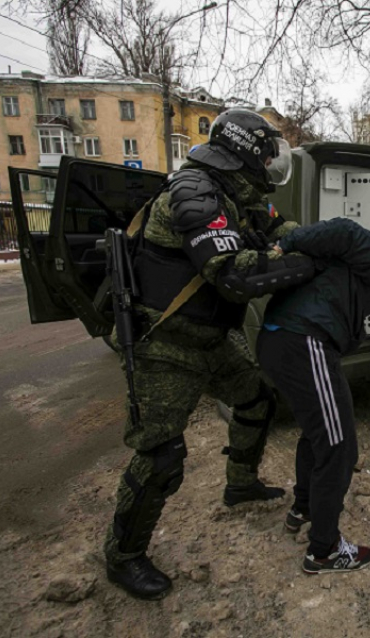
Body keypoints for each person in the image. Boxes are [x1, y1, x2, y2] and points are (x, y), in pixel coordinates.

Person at [105, 108, 315, 600]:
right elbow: (234, 275)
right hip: (168, 345)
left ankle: (239, 483)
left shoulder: (237, 199)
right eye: (264, 155)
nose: (269, 166)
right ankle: (123, 556)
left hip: (212, 339)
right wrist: (303, 264)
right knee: (160, 454)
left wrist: (324, 242)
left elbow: (282, 230)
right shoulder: (194, 192)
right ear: (242, 151)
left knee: (257, 400)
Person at [256, 219, 370, 574]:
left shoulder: (366, 275)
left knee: (319, 433)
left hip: (281, 340)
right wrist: (285, 244)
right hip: (304, 340)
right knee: (339, 448)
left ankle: (303, 510)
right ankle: (325, 550)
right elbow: (343, 230)